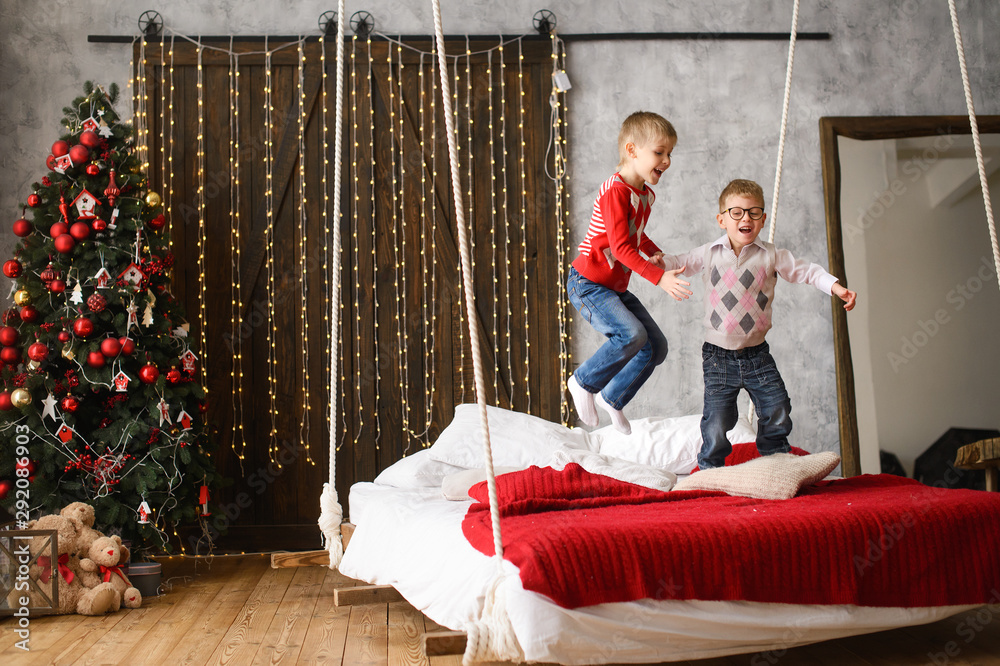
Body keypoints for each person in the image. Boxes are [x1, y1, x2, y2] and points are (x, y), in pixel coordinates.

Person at [661, 178, 857, 468]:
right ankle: (710, 467)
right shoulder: (709, 253)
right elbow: (676, 261)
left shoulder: (771, 255)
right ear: (722, 220)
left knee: (777, 405)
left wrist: (836, 287)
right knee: (718, 418)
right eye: (737, 212)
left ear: (763, 219)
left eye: (754, 212)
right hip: (718, 357)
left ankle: (776, 458)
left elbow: (808, 272)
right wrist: (646, 260)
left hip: (757, 355)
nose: (746, 218)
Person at [566, 111, 692, 435]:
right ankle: (583, 382)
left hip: (614, 287)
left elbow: (635, 236)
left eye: (669, 154)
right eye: (659, 153)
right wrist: (659, 277)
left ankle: (614, 396)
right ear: (632, 150)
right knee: (631, 335)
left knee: (655, 346)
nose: (666, 161)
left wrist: (653, 252)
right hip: (589, 284)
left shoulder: (644, 195)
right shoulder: (615, 190)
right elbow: (621, 249)